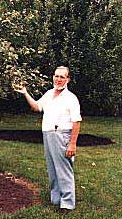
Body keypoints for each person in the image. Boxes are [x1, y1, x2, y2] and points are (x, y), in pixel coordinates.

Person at [13, 66, 82, 211]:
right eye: (56, 76)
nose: (58, 79)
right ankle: (56, 199)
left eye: (62, 77)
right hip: (48, 134)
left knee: (63, 170)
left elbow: (76, 121)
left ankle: (67, 204)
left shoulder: (71, 98)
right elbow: (37, 107)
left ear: (67, 79)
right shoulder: (49, 93)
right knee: (52, 169)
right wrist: (25, 93)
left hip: (62, 135)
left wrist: (72, 144)